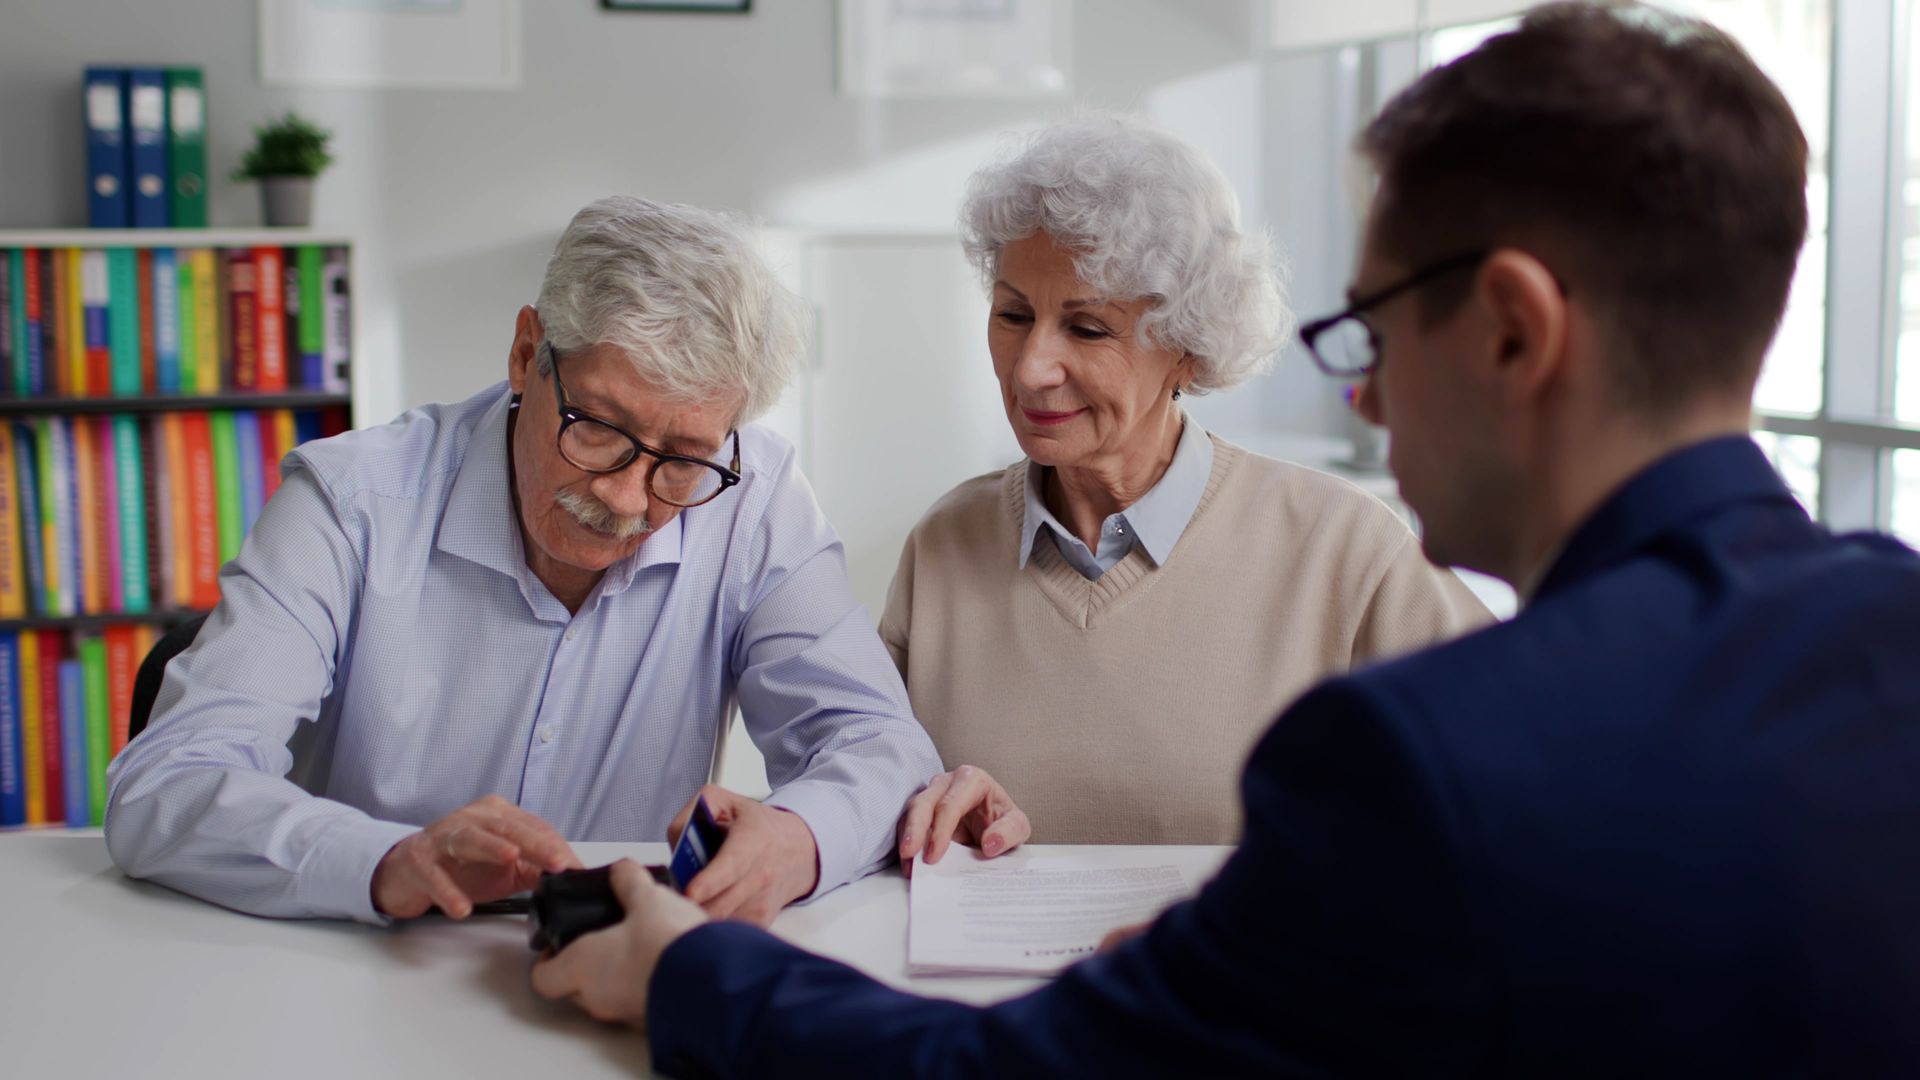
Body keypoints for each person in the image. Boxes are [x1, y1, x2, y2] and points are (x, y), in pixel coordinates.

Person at [528, 5, 1920, 1075]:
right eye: (1015, 316)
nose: (1362, 389)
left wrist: (683, 978)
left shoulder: (1423, 752)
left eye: (1372, 330)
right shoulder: (1890, 640)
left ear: (1512, 328)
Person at [105, 196, 943, 926]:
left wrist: (798, 837)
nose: (624, 500)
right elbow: (168, 783)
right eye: (599, 431)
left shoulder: (753, 499)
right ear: (525, 353)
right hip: (364, 961)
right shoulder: (352, 504)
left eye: (683, 459)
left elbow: (878, 744)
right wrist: (383, 861)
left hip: (620, 970)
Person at [886, 113, 1487, 864]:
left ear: (1188, 350)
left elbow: (1518, 790)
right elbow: (866, 779)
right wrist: (906, 806)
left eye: (1089, 329)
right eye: (1013, 315)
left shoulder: (1346, 550)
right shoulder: (946, 542)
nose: (1031, 367)